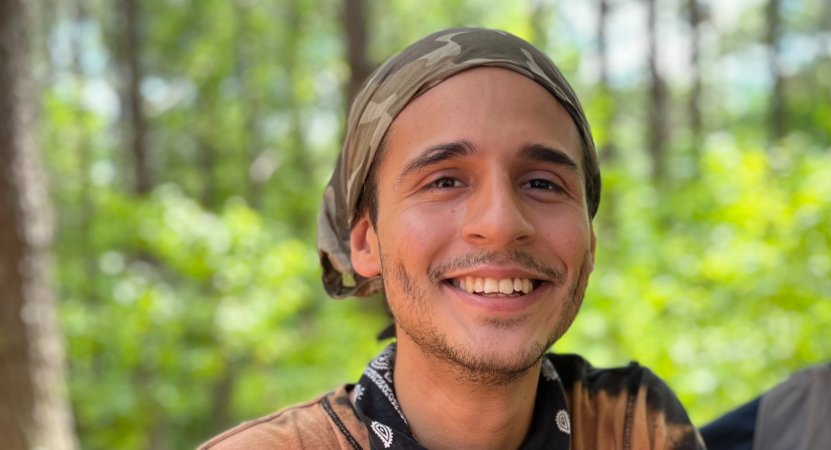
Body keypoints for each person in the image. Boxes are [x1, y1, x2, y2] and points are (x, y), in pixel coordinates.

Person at [200, 27, 705, 450]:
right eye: (444, 181)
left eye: (542, 184)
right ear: (366, 243)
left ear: (589, 244)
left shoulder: (633, 427)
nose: (501, 222)